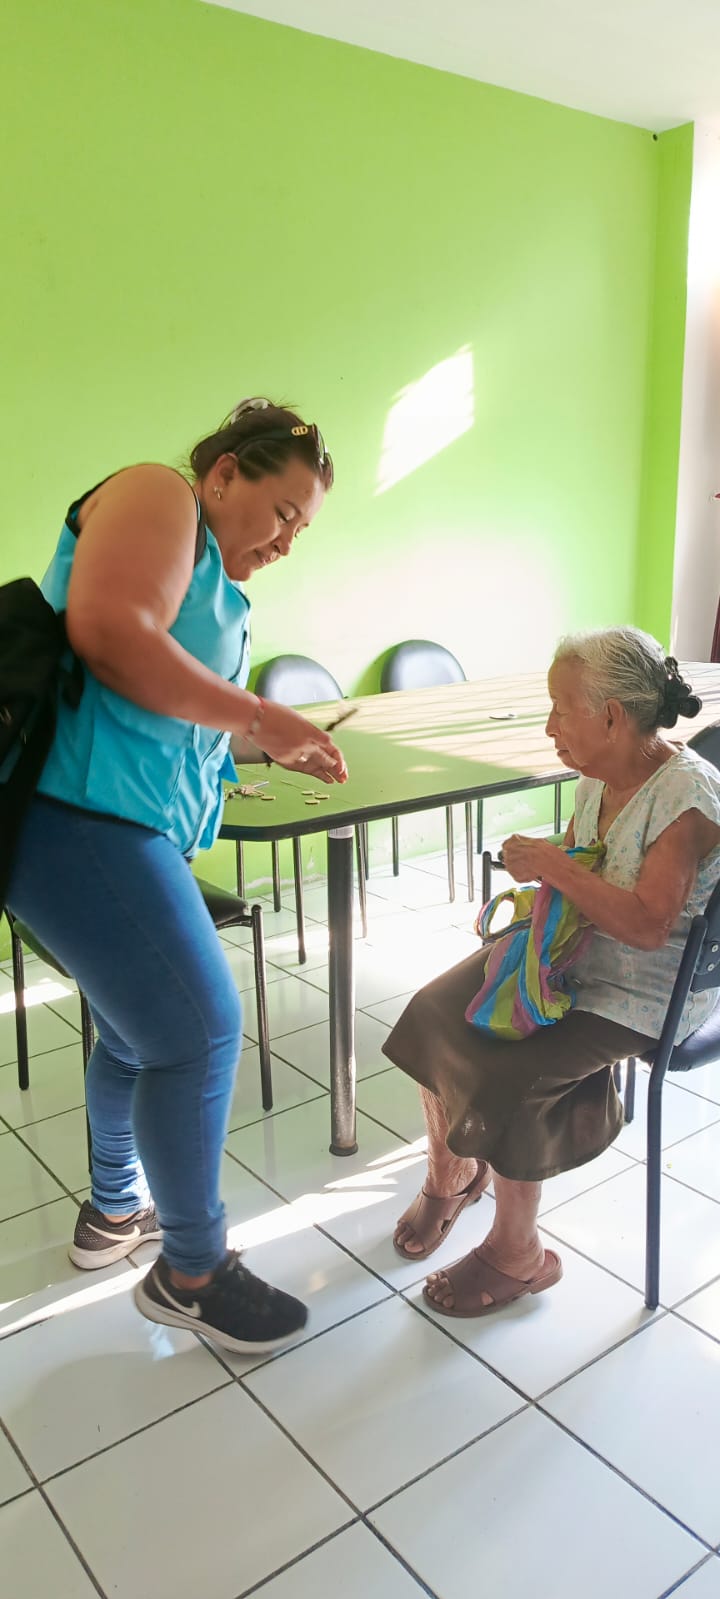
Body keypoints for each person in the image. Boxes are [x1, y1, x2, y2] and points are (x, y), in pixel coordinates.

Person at [7, 398, 348, 1354]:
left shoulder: (218, 590)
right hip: (78, 819)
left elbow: (156, 720)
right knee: (199, 1030)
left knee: (135, 1034)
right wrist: (264, 715)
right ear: (225, 473)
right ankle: (191, 1270)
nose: (286, 540)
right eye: (282, 512)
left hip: (115, 823)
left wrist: (259, 748)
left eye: (302, 529)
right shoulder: (160, 494)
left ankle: (115, 1210)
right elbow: (110, 633)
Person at [384, 627, 720, 1319]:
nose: (548, 727)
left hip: (645, 990)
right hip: (572, 953)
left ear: (611, 717)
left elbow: (648, 927)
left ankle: (519, 1254)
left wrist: (554, 866)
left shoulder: (686, 799)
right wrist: (548, 869)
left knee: (511, 1074)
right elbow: (585, 858)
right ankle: (453, 1174)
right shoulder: (600, 773)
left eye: (561, 710)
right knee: (432, 1011)